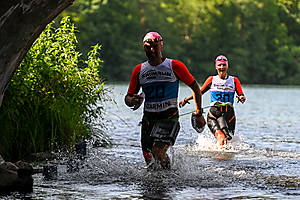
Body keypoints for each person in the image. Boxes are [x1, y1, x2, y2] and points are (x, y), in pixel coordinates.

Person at [124, 32, 206, 169]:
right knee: (148, 157)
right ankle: (156, 185)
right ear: (143, 48)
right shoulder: (139, 70)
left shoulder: (174, 66)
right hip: (148, 119)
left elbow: (195, 88)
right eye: (147, 47)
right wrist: (132, 100)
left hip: (169, 118)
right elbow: (128, 97)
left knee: (157, 152)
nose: (151, 51)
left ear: (161, 46)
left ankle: (168, 178)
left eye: (155, 46)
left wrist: (198, 112)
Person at [179, 55, 246, 146]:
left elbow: (240, 94)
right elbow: (199, 92)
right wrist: (186, 100)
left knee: (229, 142)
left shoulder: (234, 80)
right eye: (219, 65)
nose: (221, 67)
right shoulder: (211, 80)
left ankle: (224, 159)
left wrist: (241, 97)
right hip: (214, 114)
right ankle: (216, 158)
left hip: (229, 115)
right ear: (216, 66)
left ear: (227, 66)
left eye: (223, 65)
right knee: (221, 139)